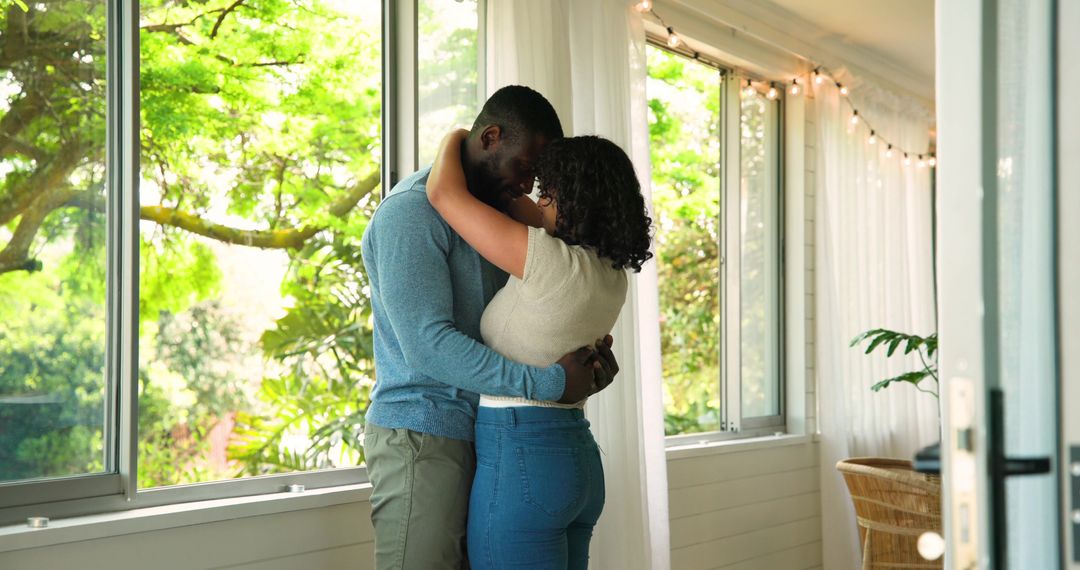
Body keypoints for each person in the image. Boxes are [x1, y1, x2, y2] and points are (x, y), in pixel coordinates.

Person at [359, 85, 620, 570]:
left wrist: (585, 356)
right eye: (526, 168)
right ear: (492, 137)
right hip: (424, 435)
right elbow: (428, 347)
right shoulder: (410, 215)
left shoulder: (499, 215)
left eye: (539, 180)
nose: (529, 188)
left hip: (492, 434)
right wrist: (552, 382)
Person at [426, 129, 653, 569]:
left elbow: (443, 193)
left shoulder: (549, 262)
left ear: (576, 201)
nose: (540, 201)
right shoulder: (611, 275)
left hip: (523, 457)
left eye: (549, 193)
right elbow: (517, 207)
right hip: (576, 462)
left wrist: (458, 136)